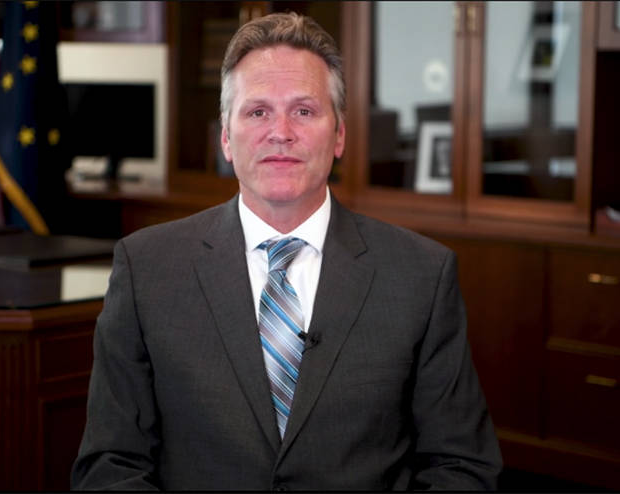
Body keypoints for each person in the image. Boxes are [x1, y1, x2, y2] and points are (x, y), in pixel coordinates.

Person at [71, 12, 502, 491]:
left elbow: (461, 466)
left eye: (304, 111)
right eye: (257, 112)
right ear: (225, 137)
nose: (281, 132)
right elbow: (111, 464)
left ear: (339, 135)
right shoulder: (146, 269)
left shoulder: (421, 275)